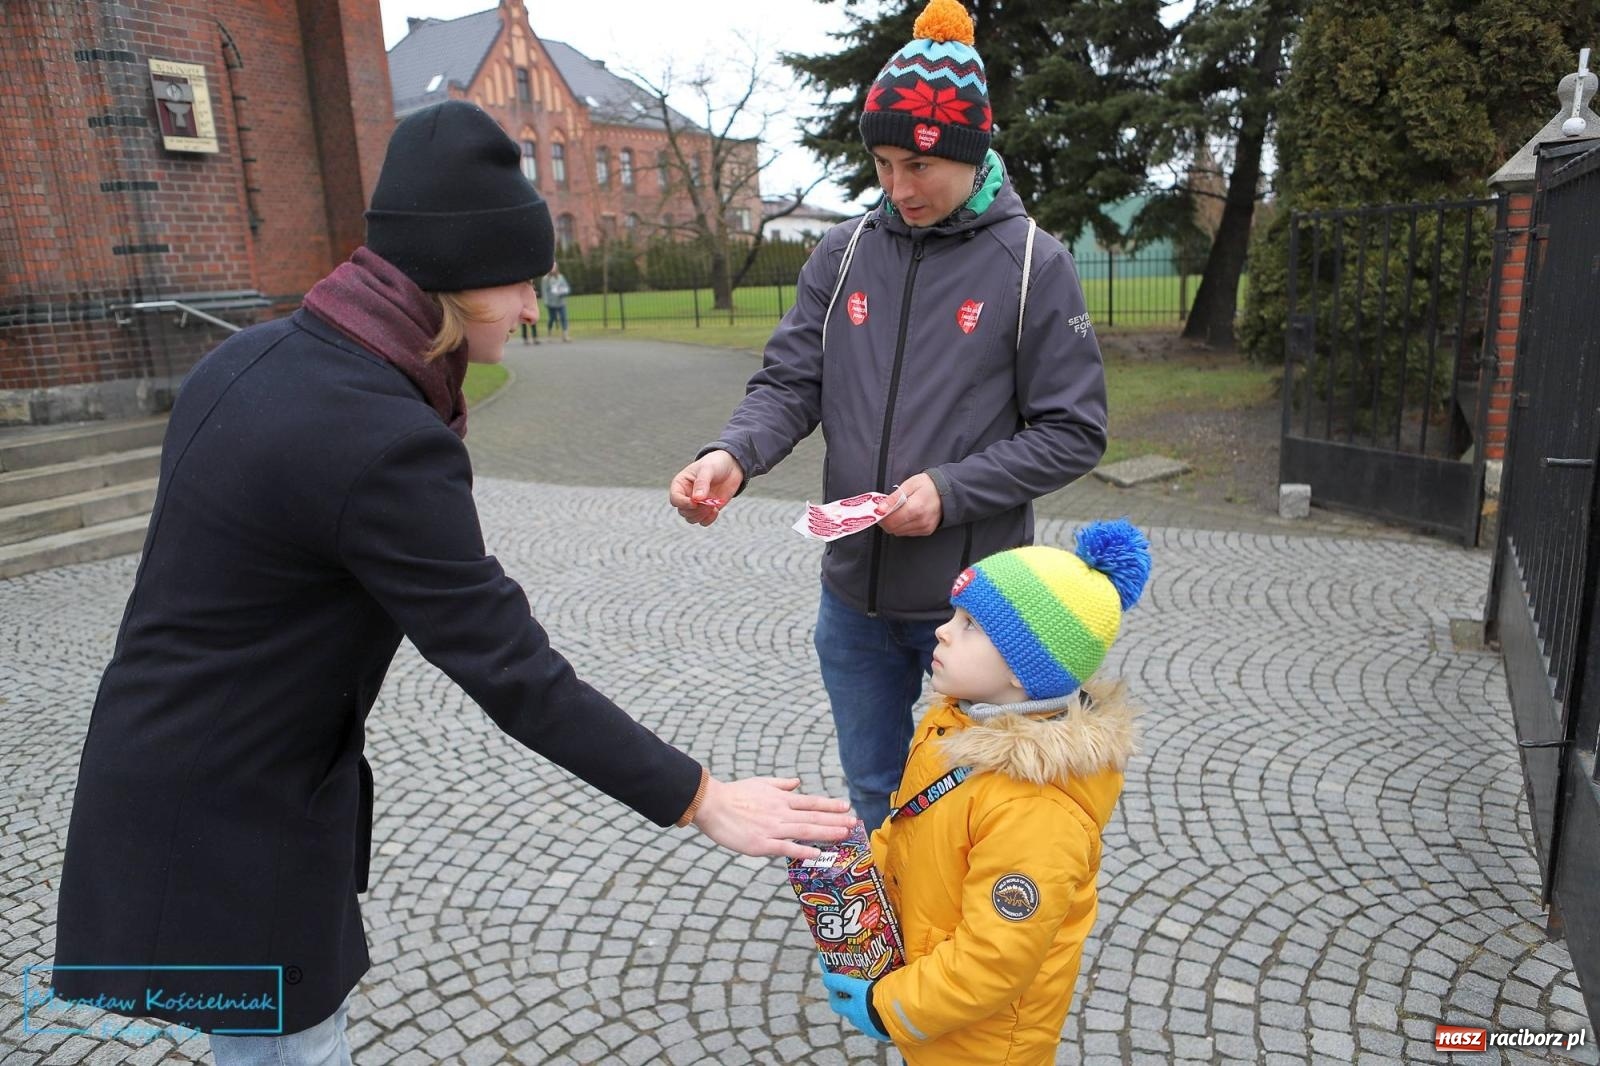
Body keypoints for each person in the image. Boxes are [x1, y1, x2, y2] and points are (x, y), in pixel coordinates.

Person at [50, 100, 852, 1064]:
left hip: (162, 769)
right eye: (519, 283)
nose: (528, 306)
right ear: (456, 280)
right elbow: (508, 665)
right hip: (243, 815)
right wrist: (698, 796)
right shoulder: (382, 441)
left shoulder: (247, 358)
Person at [669, 0, 1108, 828]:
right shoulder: (841, 255)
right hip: (852, 601)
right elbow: (791, 382)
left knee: (979, 803)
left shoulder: (1033, 267)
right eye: (881, 163)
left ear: (969, 152)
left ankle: (963, 954)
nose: (898, 188)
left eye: (918, 164)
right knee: (875, 792)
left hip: (975, 611)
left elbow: (1075, 430)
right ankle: (889, 945)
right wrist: (733, 453)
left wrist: (950, 490)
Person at [817, 520, 1151, 1065]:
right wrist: (859, 880)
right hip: (938, 1011)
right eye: (953, 615)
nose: (943, 631)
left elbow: (995, 960)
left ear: (1024, 671)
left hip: (987, 1044)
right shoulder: (957, 722)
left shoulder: (1037, 807)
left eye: (970, 625)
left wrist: (889, 1006)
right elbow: (913, 827)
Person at [541, 262, 571, 341]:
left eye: (554, 267)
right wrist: (546, 302)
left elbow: (566, 287)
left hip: (561, 302)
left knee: (564, 318)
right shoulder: (546, 279)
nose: (553, 269)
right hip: (551, 303)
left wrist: (564, 292)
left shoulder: (561, 277)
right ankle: (549, 334)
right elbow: (544, 291)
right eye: (551, 267)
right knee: (552, 318)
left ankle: (565, 335)